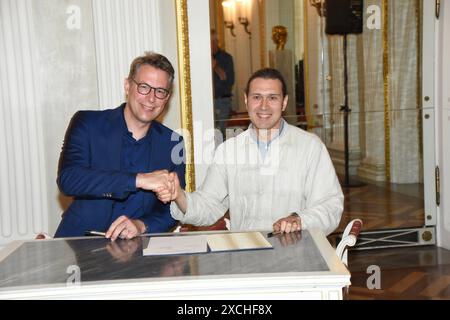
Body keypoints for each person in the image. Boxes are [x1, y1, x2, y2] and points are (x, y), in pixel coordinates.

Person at [157, 68, 343, 235]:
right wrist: (178, 195)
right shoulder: (228, 151)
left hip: (297, 256)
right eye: (256, 97)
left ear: (284, 102)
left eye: (272, 97)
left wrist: (300, 220)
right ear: (246, 100)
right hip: (247, 259)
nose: (263, 106)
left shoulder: (310, 147)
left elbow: (330, 206)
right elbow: (208, 206)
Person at [55, 52, 185, 241]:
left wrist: (141, 225)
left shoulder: (174, 142)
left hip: (138, 253)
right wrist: (137, 180)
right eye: (144, 87)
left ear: (167, 97)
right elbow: (69, 180)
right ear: (127, 85)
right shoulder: (87, 123)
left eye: (160, 91)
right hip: (78, 245)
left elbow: (173, 209)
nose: (151, 98)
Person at [211, 29, 235, 138]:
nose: (210, 44)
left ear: (216, 42)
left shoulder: (226, 58)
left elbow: (229, 81)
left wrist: (215, 67)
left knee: (221, 134)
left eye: (212, 41)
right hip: (207, 102)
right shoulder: (201, 58)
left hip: (222, 101)